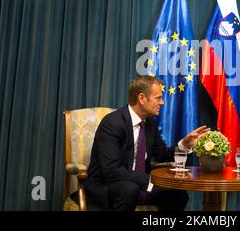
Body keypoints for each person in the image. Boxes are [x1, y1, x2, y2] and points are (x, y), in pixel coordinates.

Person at [84, 75, 209, 211]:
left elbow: (162, 154)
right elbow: (111, 171)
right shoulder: (112, 123)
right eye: (158, 98)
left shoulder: (149, 123)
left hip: (138, 184)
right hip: (107, 186)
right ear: (142, 98)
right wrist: (150, 179)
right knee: (129, 189)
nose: (162, 102)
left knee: (178, 195)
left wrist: (185, 143)